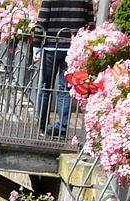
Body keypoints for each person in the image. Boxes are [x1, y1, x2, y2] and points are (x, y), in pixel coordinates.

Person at [32, 0, 94, 137]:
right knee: (65, 89)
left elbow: (42, 20)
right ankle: (62, 127)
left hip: (51, 45)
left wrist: (36, 44)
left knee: (45, 86)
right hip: (72, 48)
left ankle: (41, 124)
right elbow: (90, 24)